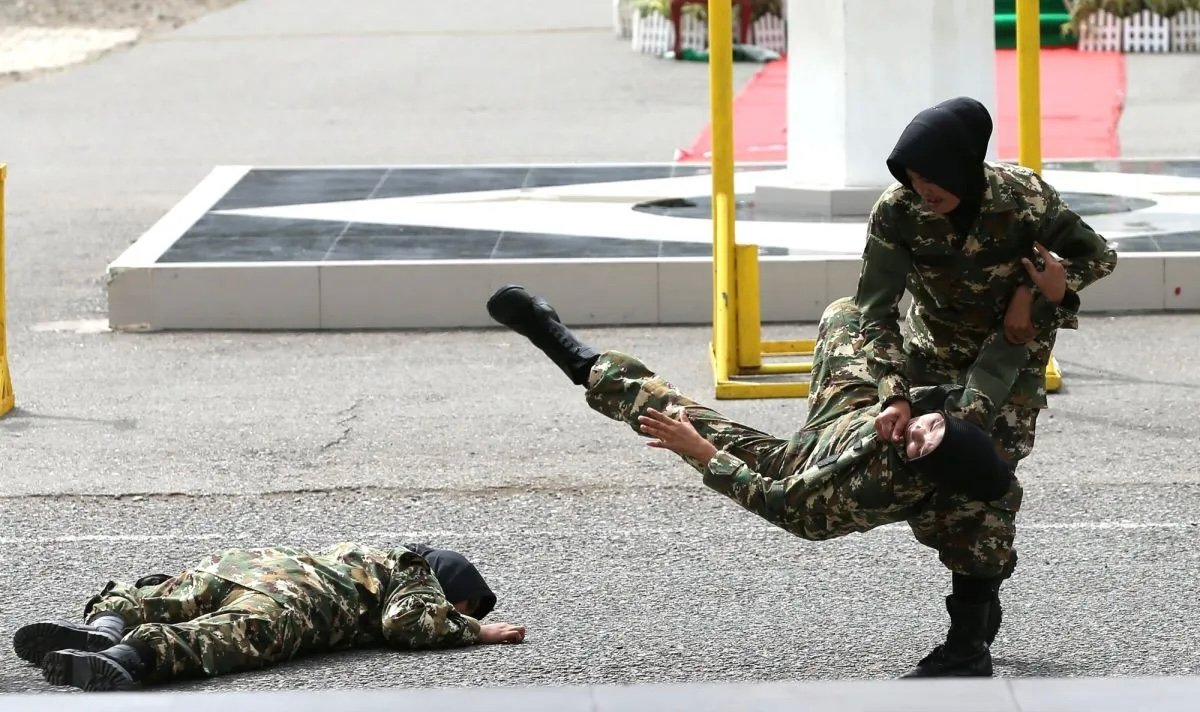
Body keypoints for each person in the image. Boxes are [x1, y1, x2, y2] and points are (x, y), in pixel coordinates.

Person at [486, 282, 1046, 678]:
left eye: (921, 444)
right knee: (848, 314)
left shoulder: (858, 488)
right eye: (930, 426)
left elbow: (786, 508)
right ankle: (978, 599)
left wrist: (706, 455)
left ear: (922, 466)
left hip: (800, 469)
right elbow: (1001, 359)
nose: (918, 432)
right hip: (850, 419)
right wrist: (1033, 297)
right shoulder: (960, 420)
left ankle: (566, 349)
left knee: (673, 419)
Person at [853, 97, 1118, 671]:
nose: (924, 189)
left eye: (935, 177)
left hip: (1009, 358)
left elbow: (1098, 256)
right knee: (928, 488)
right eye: (913, 176)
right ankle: (982, 586)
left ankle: (968, 641)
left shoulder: (1022, 198)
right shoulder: (898, 212)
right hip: (931, 357)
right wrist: (894, 391)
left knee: (979, 476)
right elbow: (873, 311)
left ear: (966, 165)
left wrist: (1040, 289)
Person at [12, 541, 525, 691]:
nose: (456, 612)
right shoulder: (415, 570)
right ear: (449, 579)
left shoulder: (361, 553)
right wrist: (475, 630)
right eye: (461, 601)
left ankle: (103, 629)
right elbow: (407, 622)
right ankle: (129, 656)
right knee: (227, 635)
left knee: (164, 595)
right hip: (295, 595)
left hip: (247, 564)